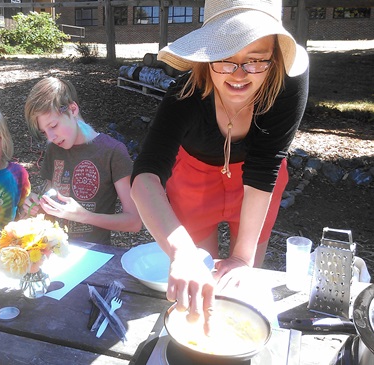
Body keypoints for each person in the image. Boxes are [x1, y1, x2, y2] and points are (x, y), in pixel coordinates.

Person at [130, 0, 309, 324]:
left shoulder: (288, 82)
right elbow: (145, 176)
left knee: (244, 278)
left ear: (274, 57)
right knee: (200, 272)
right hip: (193, 179)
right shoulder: (184, 95)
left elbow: (265, 166)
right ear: (207, 56)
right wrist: (182, 254)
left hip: (258, 183)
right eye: (226, 60)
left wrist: (241, 257)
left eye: (255, 61)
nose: (239, 75)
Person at [22, 77, 142, 244]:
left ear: (72, 110)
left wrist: (85, 216)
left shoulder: (113, 152)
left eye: (53, 126)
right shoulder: (53, 149)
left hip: (94, 256)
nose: (51, 137)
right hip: (53, 250)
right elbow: (51, 200)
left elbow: (134, 222)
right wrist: (36, 205)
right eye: (44, 132)